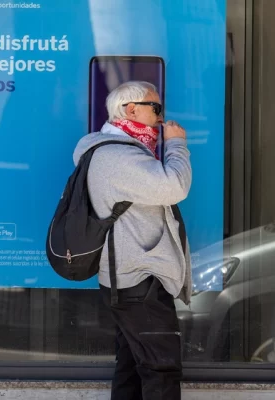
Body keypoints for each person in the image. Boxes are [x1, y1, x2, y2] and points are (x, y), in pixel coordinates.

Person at [72, 80, 192, 399]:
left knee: (132, 364)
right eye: (155, 108)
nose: (160, 116)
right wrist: (177, 144)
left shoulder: (112, 151)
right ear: (131, 109)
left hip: (129, 275)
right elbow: (174, 186)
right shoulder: (117, 157)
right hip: (139, 277)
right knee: (161, 368)